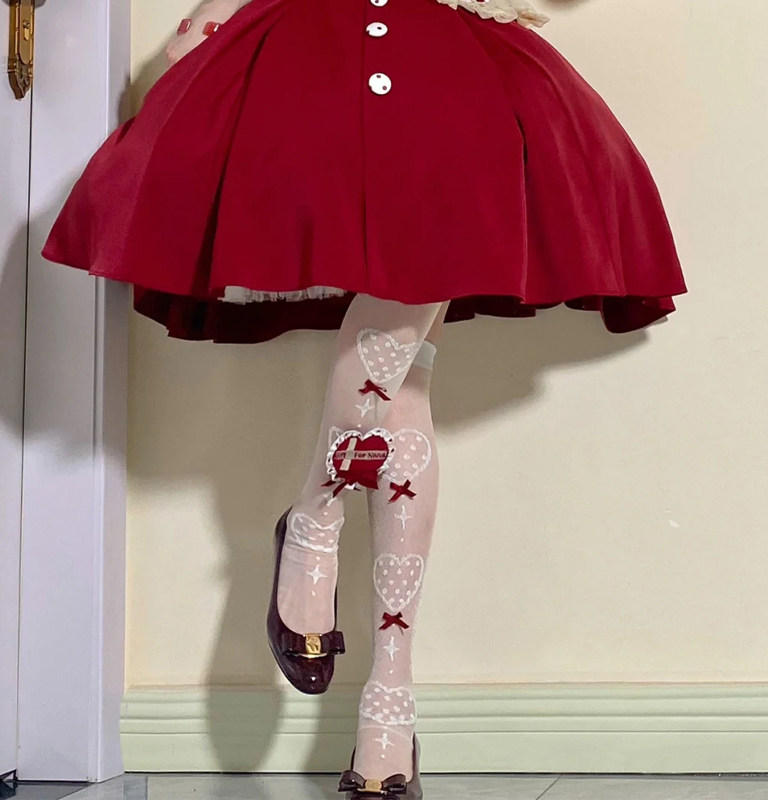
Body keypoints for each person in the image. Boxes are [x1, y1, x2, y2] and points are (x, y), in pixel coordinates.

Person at [41, 0, 688, 796]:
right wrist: (201, 37)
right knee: (402, 388)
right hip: (311, 57)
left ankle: (317, 516)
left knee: (411, 315)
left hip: (452, 65)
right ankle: (389, 712)